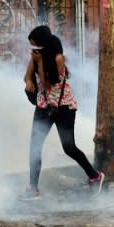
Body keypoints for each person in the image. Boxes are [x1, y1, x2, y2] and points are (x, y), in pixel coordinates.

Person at [22, 25, 104, 200]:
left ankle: (94, 175)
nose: (33, 49)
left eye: (36, 45)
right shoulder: (36, 57)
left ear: (44, 44)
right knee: (35, 147)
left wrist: (41, 62)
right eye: (32, 46)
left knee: (68, 147)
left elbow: (47, 84)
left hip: (63, 107)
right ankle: (33, 188)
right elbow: (27, 76)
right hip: (44, 106)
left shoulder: (58, 59)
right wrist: (29, 80)